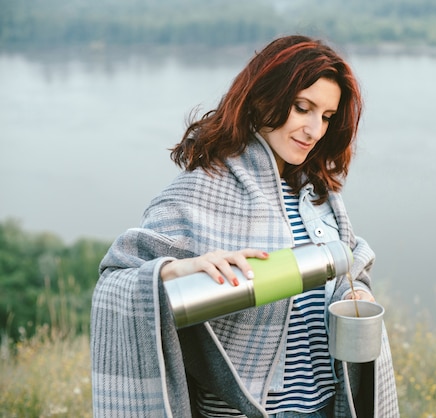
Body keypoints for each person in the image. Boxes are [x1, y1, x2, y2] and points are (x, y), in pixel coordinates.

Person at [90, 35, 399, 418]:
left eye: (326, 117)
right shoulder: (200, 191)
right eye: (302, 108)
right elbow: (116, 279)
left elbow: (349, 269)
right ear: (264, 97)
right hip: (242, 410)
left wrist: (358, 296)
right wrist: (178, 268)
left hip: (328, 406)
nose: (314, 130)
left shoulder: (319, 197)